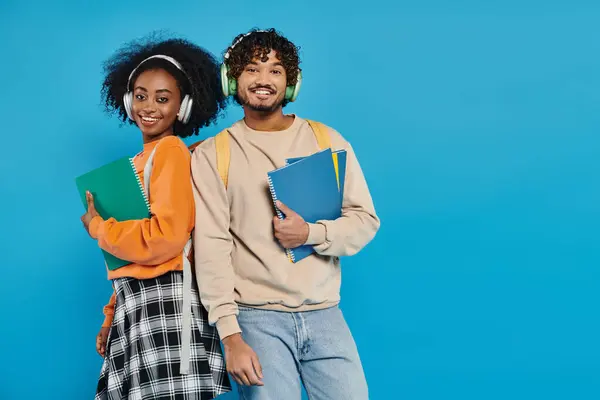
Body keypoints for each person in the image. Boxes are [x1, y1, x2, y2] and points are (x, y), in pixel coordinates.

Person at [190, 28, 380, 399]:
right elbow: (211, 247)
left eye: (275, 70)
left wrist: (310, 234)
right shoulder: (215, 154)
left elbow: (364, 220)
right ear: (233, 79)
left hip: (326, 313)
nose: (263, 80)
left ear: (290, 82)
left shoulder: (327, 140)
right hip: (255, 318)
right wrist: (231, 336)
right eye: (252, 69)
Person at [80, 34, 231, 399]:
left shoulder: (170, 152)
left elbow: (166, 238)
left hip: (163, 300)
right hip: (136, 301)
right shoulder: (138, 164)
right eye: (141, 95)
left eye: (163, 99)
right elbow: (130, 258)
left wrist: (100, 227)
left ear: (183, 105)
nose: (149, 106)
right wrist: (111, 316)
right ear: (128, 100)